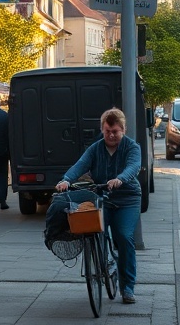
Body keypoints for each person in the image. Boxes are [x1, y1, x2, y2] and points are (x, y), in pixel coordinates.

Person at [55, 107, 142, 304]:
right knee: (95, 231)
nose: (111, 135)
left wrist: (120, 179)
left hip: (127, 198)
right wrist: (66, 180)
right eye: (107, 131)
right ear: (102, 130)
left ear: (123, 130)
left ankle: (127, 287)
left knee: (124, 235)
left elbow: (134, 166)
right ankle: (104, 262)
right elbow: (80, 165)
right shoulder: (95, 148)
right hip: (102, 197)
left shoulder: (132, 147)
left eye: (115, 132)